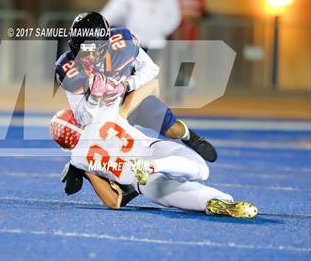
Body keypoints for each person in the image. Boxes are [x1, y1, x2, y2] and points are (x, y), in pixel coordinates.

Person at [54, 12, 217, 195]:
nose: (88, 56)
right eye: (83, 50)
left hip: (130, 99)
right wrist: (93, 98)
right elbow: (82, 117)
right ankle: (86, 169)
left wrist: (126, 85)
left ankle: (189, 136)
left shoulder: (123, 42)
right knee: (109, 155)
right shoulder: (67, 68)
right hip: (101, 115)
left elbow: (151, 70)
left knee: (172, 129)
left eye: (94, 48)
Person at [50, 105, 258, 218]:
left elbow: (113, 203)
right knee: (201, 171)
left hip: (142, 182)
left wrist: (85, 171)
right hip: (157, 151)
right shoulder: (107, 112)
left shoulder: (79, 158)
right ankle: (155, 166)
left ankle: (218, 202)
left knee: (186, 197)